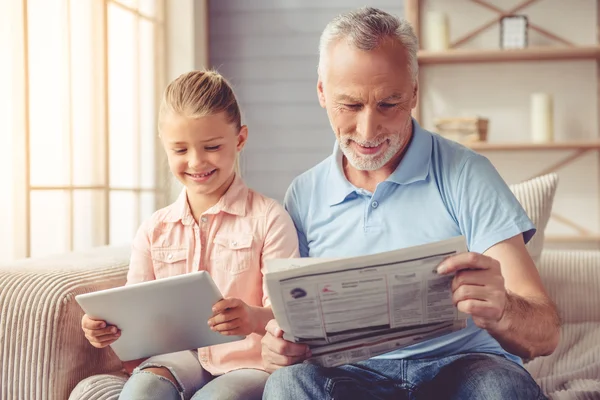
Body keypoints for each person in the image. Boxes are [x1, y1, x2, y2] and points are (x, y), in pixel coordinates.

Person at [260, 7, 560, 400]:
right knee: (286, 386)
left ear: (415, 93)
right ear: (321, 92)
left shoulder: (467, 174)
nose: (368, 131)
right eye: (349, 105)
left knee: (500, 389)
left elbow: (547, 333)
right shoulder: (303, 193)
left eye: (389, 104)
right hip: (350, 376)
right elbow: (287, 324)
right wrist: (276, 348)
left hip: (465, 365)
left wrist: (503, 308)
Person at [78, 70, 299, 400]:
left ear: (240, 139)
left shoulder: (269, 218)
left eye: (211, 146)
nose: (196, 162)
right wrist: (104, 328)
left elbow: (289, 312)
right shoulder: (155, 229)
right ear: (164, 147)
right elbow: (133, 307)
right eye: (180, 150)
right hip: (177, 359)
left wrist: (253, 318)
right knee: (142, 391)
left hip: (248, 363)